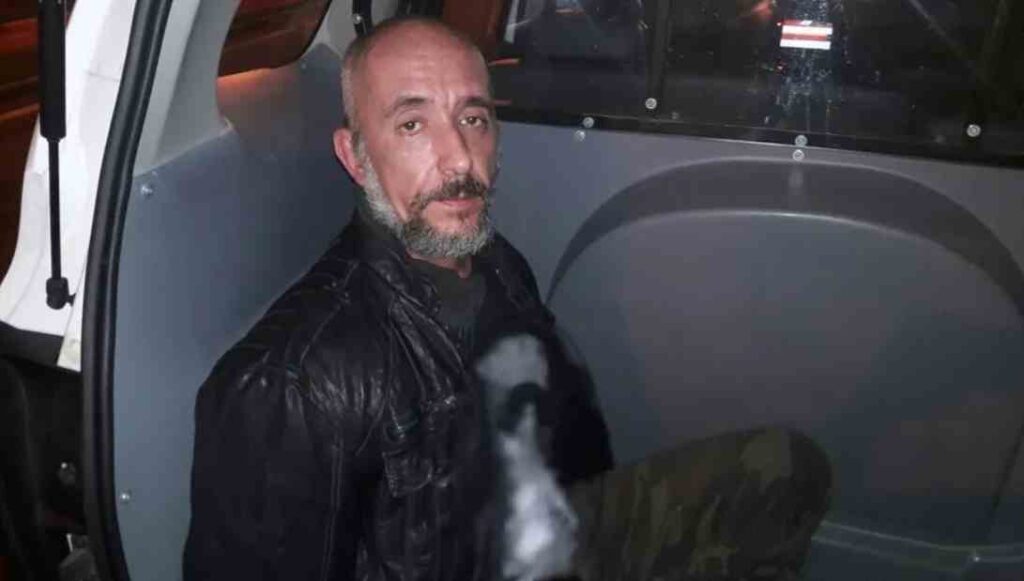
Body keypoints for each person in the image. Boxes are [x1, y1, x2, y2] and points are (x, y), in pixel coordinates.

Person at [184, 16, 831, 581]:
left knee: (784, 469)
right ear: (355, 156)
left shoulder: (496, 263)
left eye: (473, 119)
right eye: (412, 124)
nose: (459, 160)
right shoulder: (292, 385)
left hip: (542, 529)